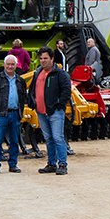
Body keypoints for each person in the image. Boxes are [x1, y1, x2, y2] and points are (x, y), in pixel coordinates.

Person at [0, 55, 29, 174]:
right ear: (4, 65)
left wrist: (21, 113)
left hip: (15, 114)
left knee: (14, 141)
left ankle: (13, 164)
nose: (10, 66)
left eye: (12, 64)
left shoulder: (20, 81)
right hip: (1, 114)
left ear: (16, 66)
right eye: (8, 64)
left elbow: (23, 98)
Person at [32, 46, 71, 176]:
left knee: (58, 138)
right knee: (48, 138)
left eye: (45, 58)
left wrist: (59, 105)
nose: (43, 61)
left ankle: (62, 164)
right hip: (41, 111)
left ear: (52, 58)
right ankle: (51, 163)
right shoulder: (37, 73)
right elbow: (33, 89)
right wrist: (32, 101)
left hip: (55, 112)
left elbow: (66, 90)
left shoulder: (60, 74)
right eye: (41, 58)